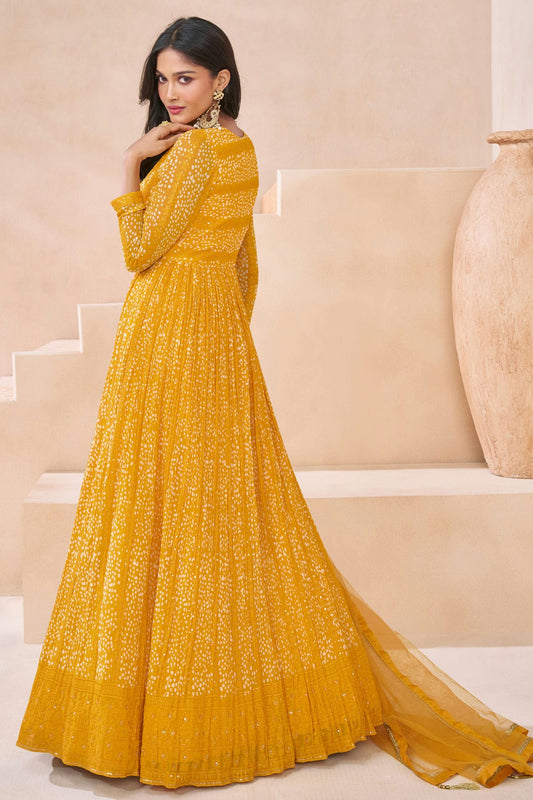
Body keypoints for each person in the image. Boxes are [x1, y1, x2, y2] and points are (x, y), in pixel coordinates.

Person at [16, 15, 533, 791]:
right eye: (163, 80)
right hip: (215, 342)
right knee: (221, 516)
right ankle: (235, 699)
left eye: (185, 78)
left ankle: (156, 720)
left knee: (157, 508)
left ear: (220, 79)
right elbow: (244, 267)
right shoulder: (242, 148)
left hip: (165, 338)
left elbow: (139, 250)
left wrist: (129, 163)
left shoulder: (192, 152)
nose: (171, 94)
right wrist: (223, 343)